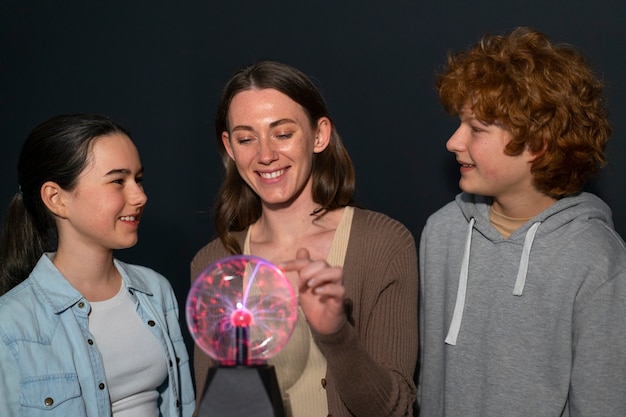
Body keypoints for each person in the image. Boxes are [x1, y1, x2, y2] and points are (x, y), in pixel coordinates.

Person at [418, 26, 626, 416]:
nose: (454, 141)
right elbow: (431, 381)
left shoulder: (596, 260)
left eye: (476, 129)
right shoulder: (442, 233)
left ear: (538, 144)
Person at [191, 60, 418, 417]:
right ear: (230, 147)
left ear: (319, 135)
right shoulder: (214, 263)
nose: (265, 155)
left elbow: (396, 409)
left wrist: (336, 333)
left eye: (282, 134)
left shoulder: (384, 245)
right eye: (247, 139)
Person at [0, 114, 195, 417]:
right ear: (56, 199)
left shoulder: (155, 290)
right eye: (118, 181)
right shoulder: (10, 323)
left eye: (138, 179)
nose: (140, 196)